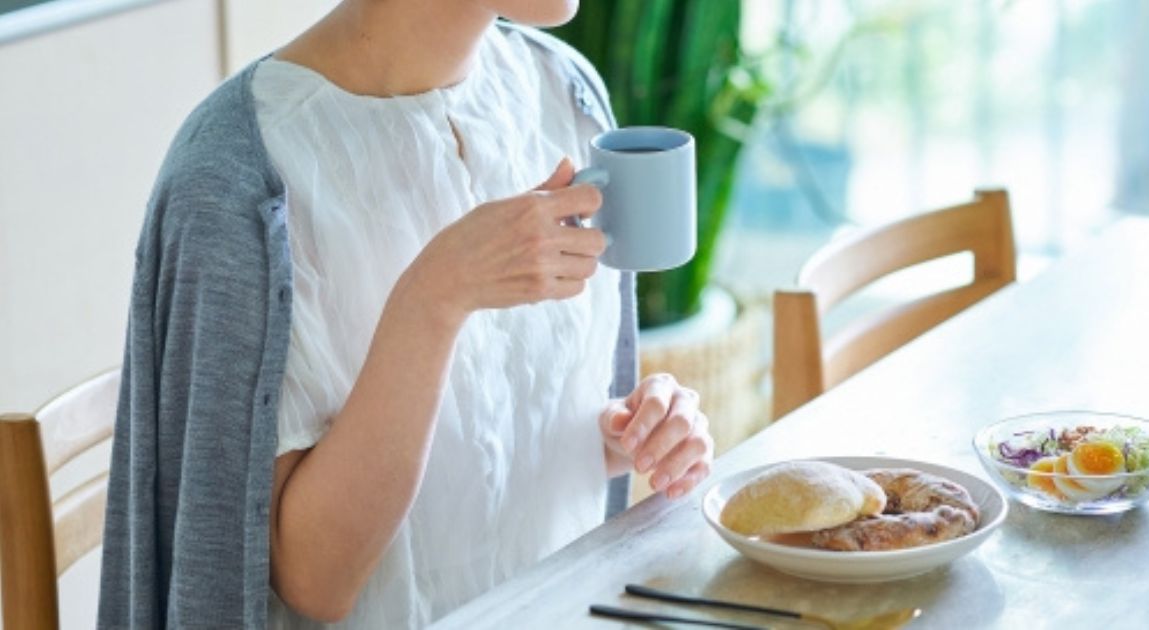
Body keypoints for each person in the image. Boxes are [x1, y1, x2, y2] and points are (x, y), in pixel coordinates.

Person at [98, 1, 714, 627]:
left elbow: (499, 438)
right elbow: (314, 584)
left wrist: (622, 435)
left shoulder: (563, 91)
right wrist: (434, 297)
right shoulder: (239, 177)